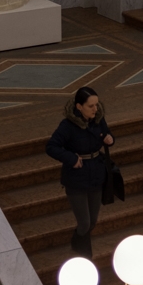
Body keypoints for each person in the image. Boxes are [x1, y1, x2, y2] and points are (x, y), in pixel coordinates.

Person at [46, 86, 114, 258]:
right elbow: (51, 147)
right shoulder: (67, 125)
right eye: (91, 106)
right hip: (76, 179)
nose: (95, 109)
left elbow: (107, 133)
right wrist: (70, 158)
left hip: (96, 175)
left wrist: (110, 139)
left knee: (93, 221)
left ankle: (77, 243)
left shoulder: (98, 119)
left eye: (96, 105)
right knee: (84, 222)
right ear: (79, 106)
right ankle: (84, 254)